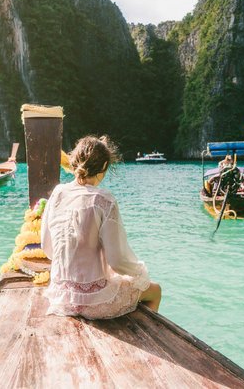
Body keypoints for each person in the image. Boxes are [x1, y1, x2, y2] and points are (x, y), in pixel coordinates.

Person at [41, 135, 161, 319]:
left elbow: (48, 249)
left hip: (60, 297)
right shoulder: (103, 201)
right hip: (95, 303)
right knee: (155, 291)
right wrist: (140, 273)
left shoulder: (58, 193)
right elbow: (117, 261)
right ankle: (142, 337)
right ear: (104, 167)